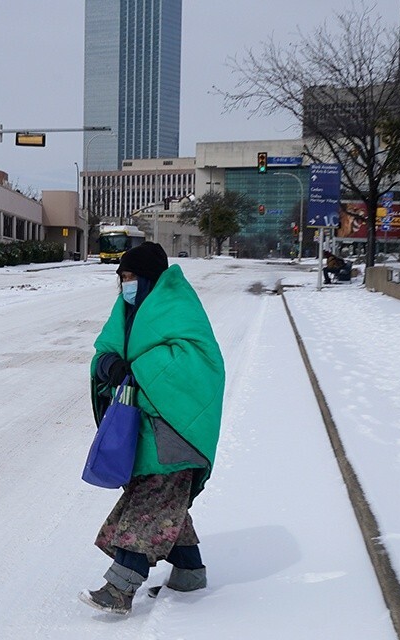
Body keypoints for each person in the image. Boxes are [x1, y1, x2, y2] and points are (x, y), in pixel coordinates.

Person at [80, 242, 226, 615]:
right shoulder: (127, 311)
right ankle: (190, 572)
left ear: (149, 279)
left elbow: (196, 365)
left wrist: (136, 370)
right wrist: (108, 366)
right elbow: (105, 352)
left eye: (131, 277)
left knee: (148, 506)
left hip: (176, 432)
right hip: (144, 431)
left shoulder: (179, 309)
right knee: (165, 502)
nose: (125, 285)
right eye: (122, 278)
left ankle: (119, 588)